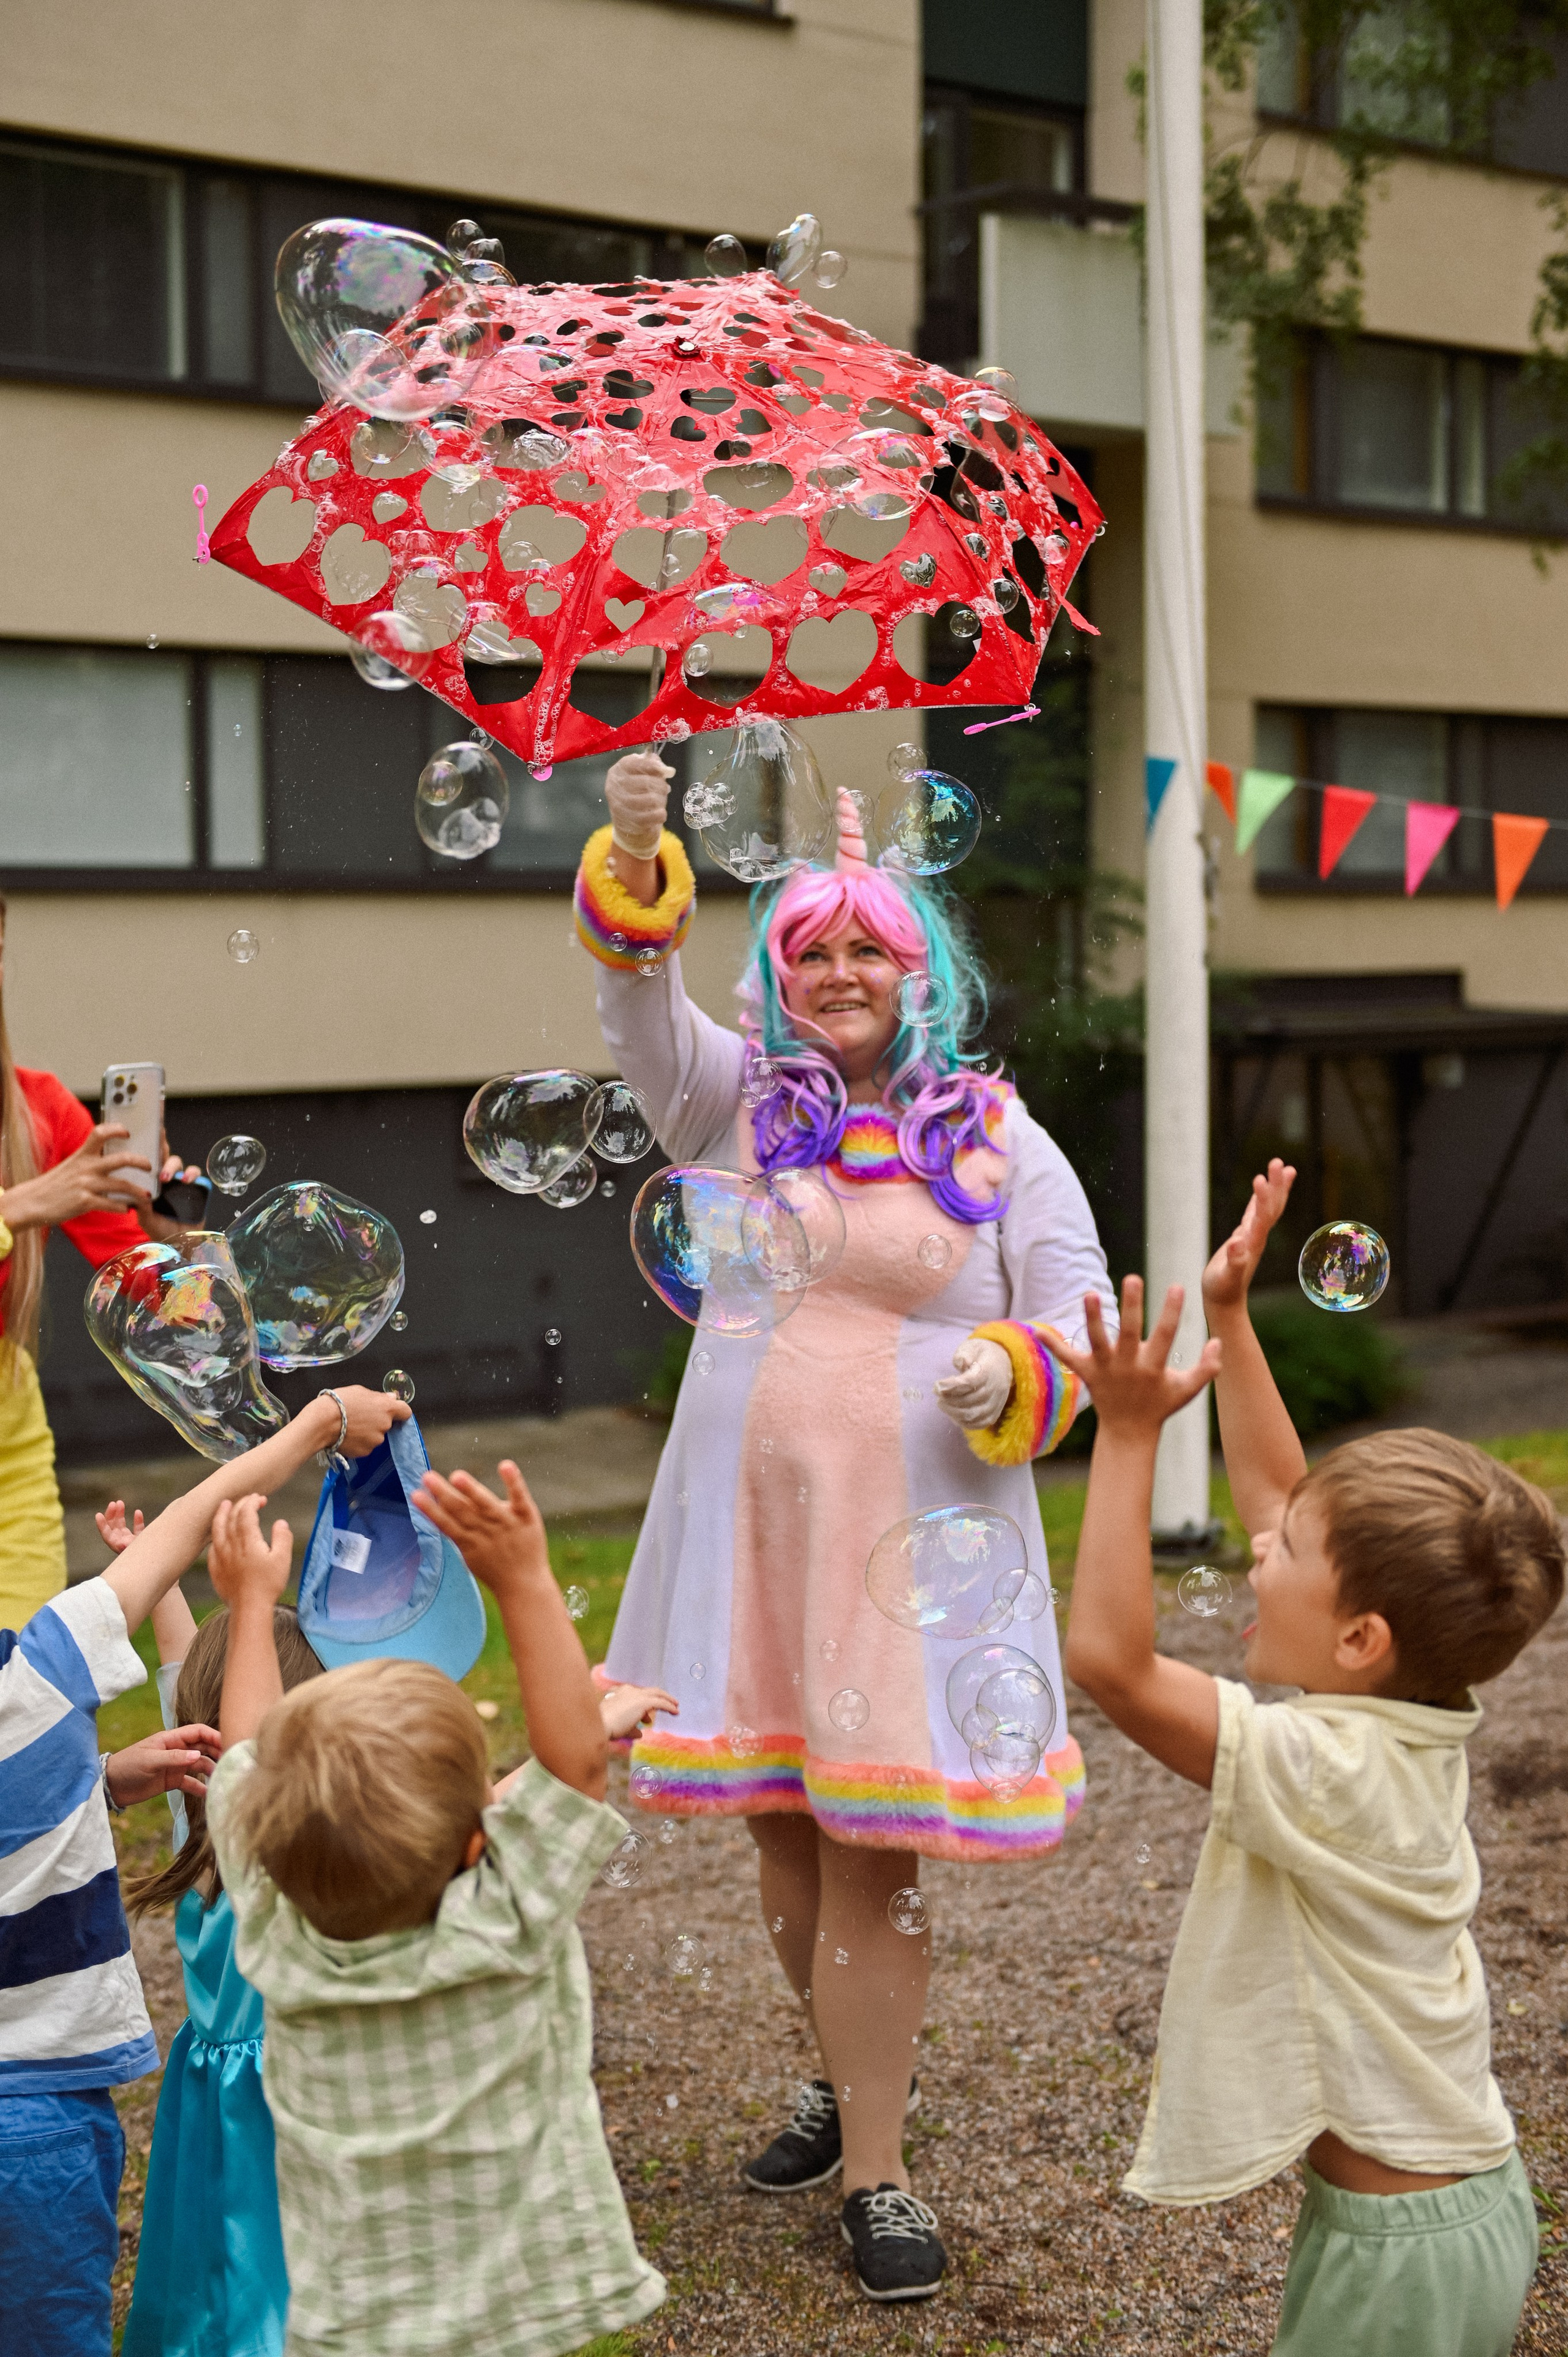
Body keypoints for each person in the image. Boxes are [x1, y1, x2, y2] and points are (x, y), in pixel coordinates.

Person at [573, 745, 1115, 2299]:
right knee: (791, 1828)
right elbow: (632, 1008)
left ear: (917, 965)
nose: (838, 970)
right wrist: (632, 867)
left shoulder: (998, 1136)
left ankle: (873, 2164)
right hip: (752, 1525)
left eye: (867, 943)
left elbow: (1078, 1319)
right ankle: (839, 2069)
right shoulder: (727, 1101)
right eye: (807, 947)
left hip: (909, 1545)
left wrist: (1011, 1364)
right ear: (773, 976)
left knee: (871, 1845)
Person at [1049, 1161, 1558, 2357]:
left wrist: (1125, 1439)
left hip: (1406, 2257)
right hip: (1436, 2214)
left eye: (1280, 1558)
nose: (1254, 1548)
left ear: (1356, 1638)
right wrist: (1228, 1318)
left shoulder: (1326, 1767)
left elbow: (1112, 1665)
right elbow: (1286, 1495)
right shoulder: (1402, 1711)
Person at [201, 1457, 667, 2357]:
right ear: (474, 1845)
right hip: (526, 2310)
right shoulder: (509, 1922)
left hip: (352, 2328)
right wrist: (524, 1578)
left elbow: (248, 1758)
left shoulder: (273, 1926)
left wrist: (252, 1604)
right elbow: (576, 1771)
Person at [0, 1380, 404, 2357]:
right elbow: (238, 1736)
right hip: (90, 2118)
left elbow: (207, 1713)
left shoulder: (59, 1734)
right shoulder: (278, 1856)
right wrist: (310, 1438)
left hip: (202, 2112)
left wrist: (99, 1771)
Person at [0, 896, 203, 1628]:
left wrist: (169, 1234)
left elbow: (169, 1308)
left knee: (19, 1695)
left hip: (8, 1440)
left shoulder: (39, 1112)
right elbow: (26, 1207)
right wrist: (18, 1206)